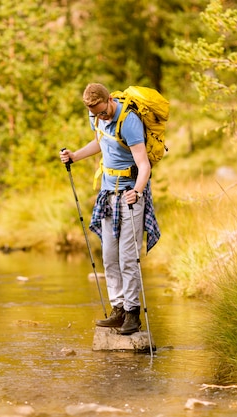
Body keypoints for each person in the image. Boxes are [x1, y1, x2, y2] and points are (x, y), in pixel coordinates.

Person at [59, 83, 160, 335]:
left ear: (109, 101)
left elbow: (144, 164)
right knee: (109, 256)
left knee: (128, 257)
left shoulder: (129, 121)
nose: (99, 117)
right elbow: (100, 142)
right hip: (107, 194)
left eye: (102, 112)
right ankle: (118, 309)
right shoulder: (95, 117)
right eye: (94, 114)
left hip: (130, 194)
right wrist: (75, 156)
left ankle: (133, 314)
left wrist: (136, 192)